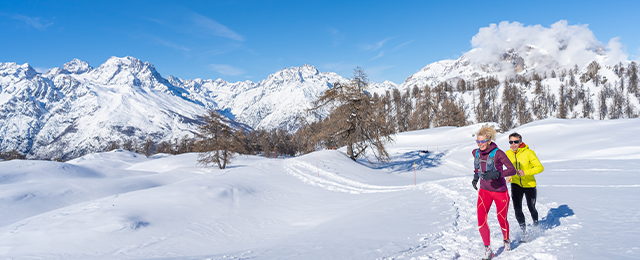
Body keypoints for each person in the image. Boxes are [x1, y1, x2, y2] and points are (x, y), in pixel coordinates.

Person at [472, 125, 516, 260]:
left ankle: (506, 240)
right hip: (484, 191)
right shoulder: (476, 152)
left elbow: (512, 170)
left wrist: (497, 173)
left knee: (501, 219)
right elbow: (477, 166)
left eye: (482, 141)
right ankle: (487, 248)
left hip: (500, 192)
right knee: (480, 219)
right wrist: (475, 176)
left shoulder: (499, 153)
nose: (480, 144)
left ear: (489, 141)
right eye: (478, 142)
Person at [505, 132, 544, 241]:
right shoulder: (508, 153)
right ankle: (524, 233)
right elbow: (507, 167)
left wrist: (525, 172)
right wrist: (509, 175)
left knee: (531, 207)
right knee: (517, 208)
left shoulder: (529, 153)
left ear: (520, 142)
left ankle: (536, 226)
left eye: (516, 142)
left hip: (529, 184)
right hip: (516, 184)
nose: (513, 144)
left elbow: (540, 168)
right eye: (511, 142)